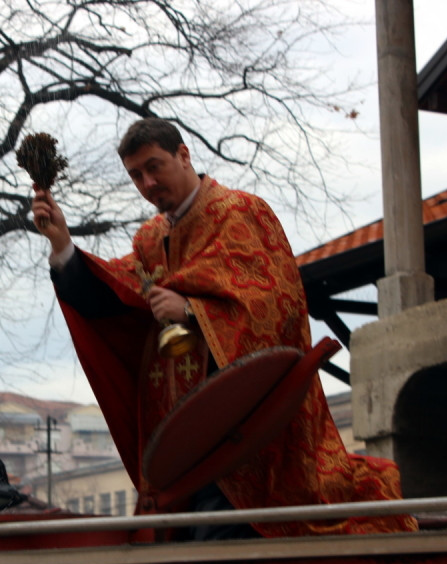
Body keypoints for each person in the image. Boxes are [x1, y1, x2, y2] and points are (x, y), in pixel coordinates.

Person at [31, 118, 416, 538]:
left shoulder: (242, 213)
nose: (147, 182)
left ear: (183, 155)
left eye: (154, 166)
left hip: (250, 439)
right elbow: (117, 294)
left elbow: (278, 306)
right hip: (186, 443)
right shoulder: (149, 238)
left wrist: (194, 311)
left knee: (222, 551)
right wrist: (62, 245)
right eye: (136, 175)